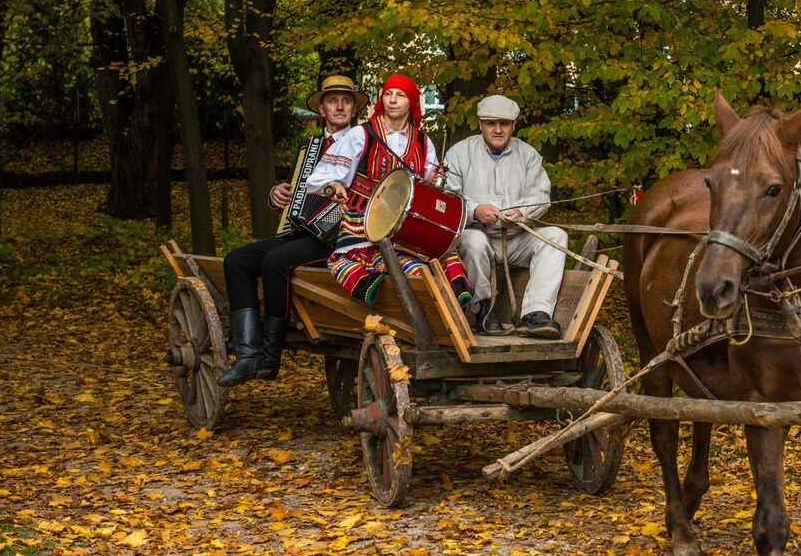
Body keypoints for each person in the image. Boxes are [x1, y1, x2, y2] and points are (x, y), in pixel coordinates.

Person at [219, 73, 368, 387]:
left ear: (354, 109)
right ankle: (248, 355)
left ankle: (270, 358)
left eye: (346, 101)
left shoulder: (365, 143)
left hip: (341, 236)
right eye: (332, 101)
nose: (339, 106)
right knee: (236, 260)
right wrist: (277, 195)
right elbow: (297, 195)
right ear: (322, 109)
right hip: (302, 232)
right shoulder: (310, 147)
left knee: (275, 261)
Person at [304, 73, 471, 306]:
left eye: (400, 95)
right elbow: (318, 179)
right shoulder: (361, 135)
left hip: (406, 225)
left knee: (441, 253)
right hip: (364, 223)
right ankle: (374, 288)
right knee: (368, 261)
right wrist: (333, 186)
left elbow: (425, 191)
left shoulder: (423, 142)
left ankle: (455, 293)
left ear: (411, 103)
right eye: (388, 95)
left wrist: (432, 181)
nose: (392, 100)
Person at [443, 94, 567, 338]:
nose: (498, 130)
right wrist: (475, 210)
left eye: (504, 124)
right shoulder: (459, 154)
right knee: (472, 241)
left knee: (556, 236)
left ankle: (535, 313)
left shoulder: (529, 155)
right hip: (477, 235)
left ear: (513, 124)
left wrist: (521, 213)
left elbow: (540, 195)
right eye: (491, 123)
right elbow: (448, 199)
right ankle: (484, 311)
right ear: (480, 124)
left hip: (516, 237)